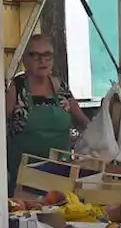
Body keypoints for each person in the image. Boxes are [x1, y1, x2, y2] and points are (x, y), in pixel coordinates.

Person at [6, 34, 89, 194]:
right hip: (24, 181)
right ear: (24, 59)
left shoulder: (61, 88)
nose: (42, 61)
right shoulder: (16, 89)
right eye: (35, 55)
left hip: (60, 178)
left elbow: (82, 122)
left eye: (47, 55)